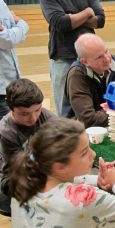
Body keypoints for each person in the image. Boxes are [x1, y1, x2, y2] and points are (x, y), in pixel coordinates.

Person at [9, 118, 115, 227]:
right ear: (59, 166)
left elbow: (61, 181)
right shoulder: (83, 200)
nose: (93, 154)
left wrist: (96, 181)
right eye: (84, 152)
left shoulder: (25, 176)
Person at [39, 0, 105, 117]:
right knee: (65, 109)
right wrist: (87, 11)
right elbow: (61, 23)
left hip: (89, 58)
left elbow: (101, 20)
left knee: (92, 104)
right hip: (63, 57)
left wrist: (72, 16)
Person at [0, 78, 56, 214]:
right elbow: (19, 169)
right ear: (11, 109)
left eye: (37, 110)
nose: (33, 118)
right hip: (14, 174)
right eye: (24, 114)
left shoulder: (45, 115)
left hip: (40, 167)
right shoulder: (7, 131)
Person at [64, 34, 115, 128]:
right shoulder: (77, 75)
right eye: (99, 57)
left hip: (113, 124)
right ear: (85, 62)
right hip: (79, 132)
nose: (107, 59)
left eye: (106, 51)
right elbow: (89, 120)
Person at [0, 0, 29, 119]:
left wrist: (16, 30)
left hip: (10, 84)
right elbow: (7, 40)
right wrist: (22, 24)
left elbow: (16, 37)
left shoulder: (1, 2)